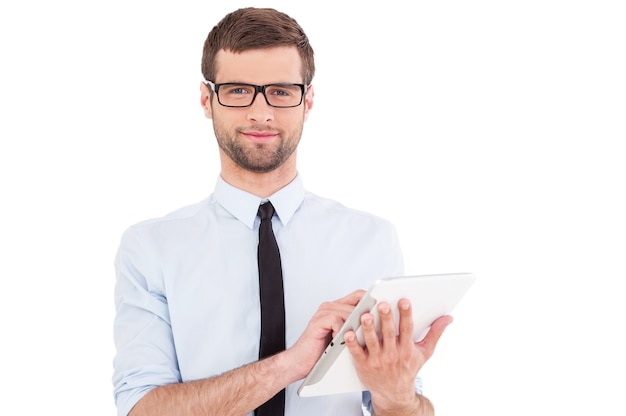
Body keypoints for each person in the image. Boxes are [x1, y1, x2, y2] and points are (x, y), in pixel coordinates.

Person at [112, 7, 452, 416]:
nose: (261, 113)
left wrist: (396, 395)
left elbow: (401, 405)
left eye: (281, 91)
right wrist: (291, 364)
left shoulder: (371, 240)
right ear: (207, 99)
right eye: (238, 90)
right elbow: (141, 409)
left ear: (307, 100)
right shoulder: (151, 249)